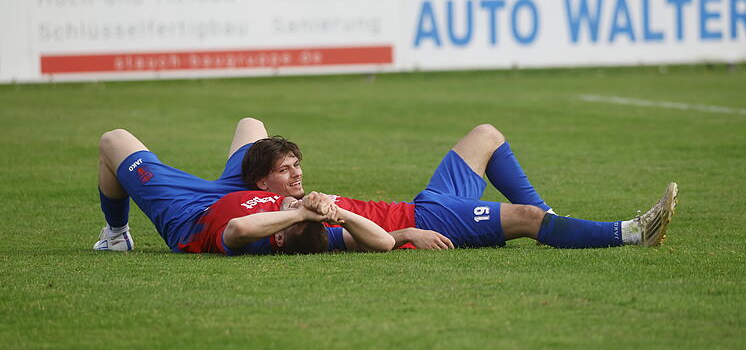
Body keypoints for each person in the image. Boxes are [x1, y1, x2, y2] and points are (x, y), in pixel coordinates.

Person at [236, 119, 678, 251]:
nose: (296, 174)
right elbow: (350, 243)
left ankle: (555, 225)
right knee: (527, 219)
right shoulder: (291, 221)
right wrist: (406, 234)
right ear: (262, 183)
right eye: (285, 169)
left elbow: (248, 128)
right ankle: (635, 231)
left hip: (425, 203)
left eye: (297, 165)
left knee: (486, 134)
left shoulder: (276, 199)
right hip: (428, 218)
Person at [92, 126, 394, 255]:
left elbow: (236, 228)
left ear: (277, 235)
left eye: (290, 209)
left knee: (113, 140)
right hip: (239, 188)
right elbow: (384, 242)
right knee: (251, 123)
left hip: (190, 211)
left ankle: (117, 234)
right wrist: (337, 214)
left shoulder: (256, 238)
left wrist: (299, 211)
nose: (292, 202)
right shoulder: (316, 232)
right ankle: (267, 173)